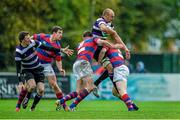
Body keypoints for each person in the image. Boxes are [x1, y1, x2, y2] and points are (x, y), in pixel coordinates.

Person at [55, 31, 122, 111]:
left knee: (78, 91)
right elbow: (102, 42)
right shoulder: (93, 39)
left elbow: (88, 52)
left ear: (84, 37)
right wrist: (113, 46)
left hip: (76, 64)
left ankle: (61, 102)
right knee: (90, 87)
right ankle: (72, 105)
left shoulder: (80, 44)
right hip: (84, 63)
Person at [22, 26, 73, 111]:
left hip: (46, 65)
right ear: (54, 33)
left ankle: (63, 105)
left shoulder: (57, 46)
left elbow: (58, 59)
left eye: (62, 33)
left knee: (54, 85)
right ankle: (25, 98)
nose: (61, 35)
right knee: (30, 85)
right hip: (35, 62)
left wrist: (60, 69)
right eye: (59, 33)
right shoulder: (43, 36)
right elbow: (32, 37)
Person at [15, 31, 61, 112]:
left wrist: (61, 50)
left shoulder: (33, 42)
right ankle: (26, 99)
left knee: (41, 90)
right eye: (27, 38)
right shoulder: (19, 51)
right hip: (28, 70)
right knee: (32, 86)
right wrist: (20, 82)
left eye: (29, 37)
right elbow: (18, 68)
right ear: (22, 40)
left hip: (38, 69)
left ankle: (32, 108)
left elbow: (47, 47)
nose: (29, 39)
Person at [92, 8, 130, 97]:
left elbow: (116, 37)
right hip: (95, 49)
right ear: (106, 15)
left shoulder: (111, 25)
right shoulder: (100, 20)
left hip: (102, 48)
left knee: (112, 68)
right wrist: (112, 32)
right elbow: (103, 28)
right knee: (110, 68)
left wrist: (126, 48)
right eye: (112, 16)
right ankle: (117, 88)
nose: (113, 18)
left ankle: (96, 84)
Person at [98, 46, 139, 111]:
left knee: (122, 91)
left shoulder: (107, 46)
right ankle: (132, 104)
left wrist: (99, 61)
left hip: (119, 69)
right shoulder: (116, 49)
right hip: (123, 68)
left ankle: (130, 108)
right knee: (115, 92)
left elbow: (103, 51)